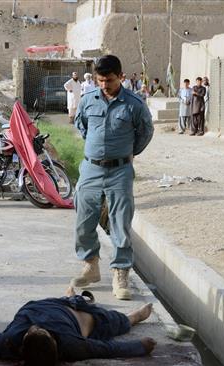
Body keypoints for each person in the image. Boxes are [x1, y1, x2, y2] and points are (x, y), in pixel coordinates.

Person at [71, 55, 154, 300]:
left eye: (109, 80)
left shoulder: (134, 104)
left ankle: (120, 274)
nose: (104, 85)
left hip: (120, 171)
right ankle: (90, 265)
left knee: (120, 223)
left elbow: (145, 132)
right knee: (83, 221)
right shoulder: (88, 100)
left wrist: (126, 153)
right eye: (100, 80)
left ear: (120, 76)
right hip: (90, 169)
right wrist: (96, 149)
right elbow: (82, 124)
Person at [0, 288, 156, 365]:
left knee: (74, 299)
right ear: (55, 344)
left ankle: (71, 294)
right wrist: (141, 346)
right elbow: (108, 349)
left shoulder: (7, 342)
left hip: (49, 305)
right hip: (84, 316)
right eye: (41, 332)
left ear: (25, 339)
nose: (36, 327)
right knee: (118, 322)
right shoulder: (73, 346)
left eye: (34, 331)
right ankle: (134, 317)